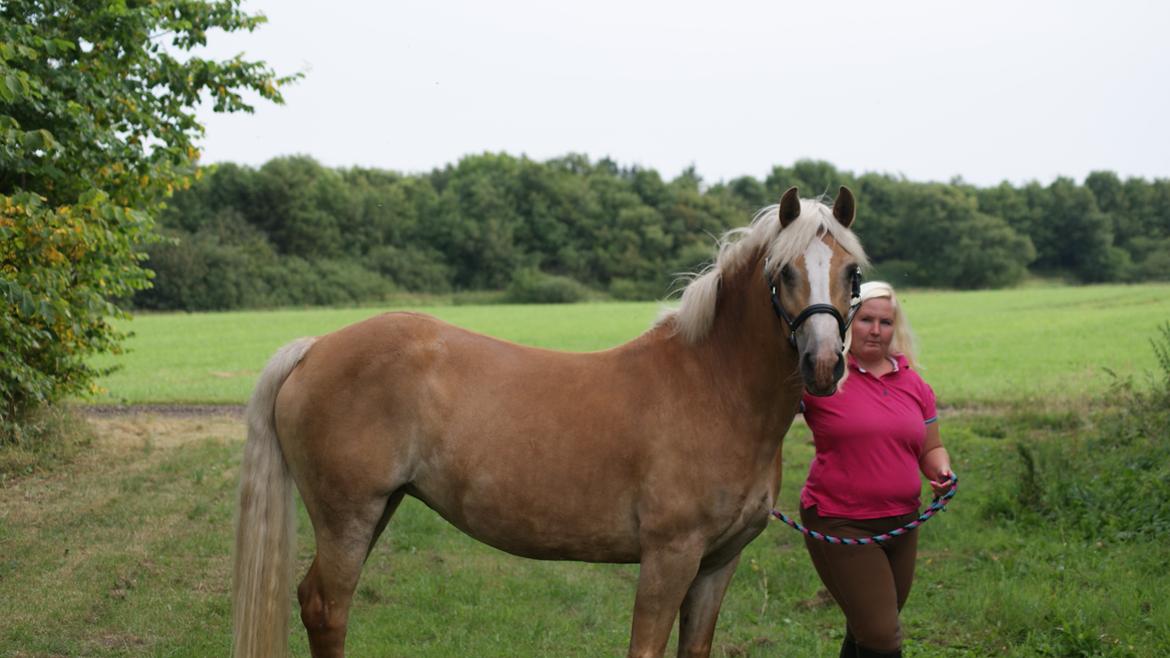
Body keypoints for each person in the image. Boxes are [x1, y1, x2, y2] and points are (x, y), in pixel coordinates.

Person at [798, 280, 953, 658]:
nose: (876, 330)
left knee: (867, 629)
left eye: (885, 322)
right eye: (867, 319)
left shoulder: (914, 383)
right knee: (883, 637)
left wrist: (942, 472)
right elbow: (761, 425)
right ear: (849, 321)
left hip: (902, 523)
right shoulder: (824, 377)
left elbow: (931, 447)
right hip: (840, 521)